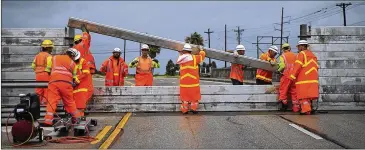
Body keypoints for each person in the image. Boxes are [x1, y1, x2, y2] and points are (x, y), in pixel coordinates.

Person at [44, 48, 82, 126]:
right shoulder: (73, 64)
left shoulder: (54, 58)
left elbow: (47, 70)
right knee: (70, 102)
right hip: (66, 84)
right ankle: (77, 119)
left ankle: (48, 121)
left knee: (52, 101)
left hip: (54, 82)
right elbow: (75, 78)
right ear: (73, 56)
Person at [289, 40, 319, 115]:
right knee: (309, 96)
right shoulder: (313, 55)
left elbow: (297, 66)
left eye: (298, 47)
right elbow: (316, 67)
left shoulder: (301, 54)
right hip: (313, 80)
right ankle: (310, 108)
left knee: (303, 96)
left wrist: (292, 76)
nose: (298, 48)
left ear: (302, 46)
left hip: (303, 80)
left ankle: (306, 110)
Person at [176, 43, 206, 114]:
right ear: (190, 51)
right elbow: (202, 55)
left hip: (184, 83)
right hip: (193, 83)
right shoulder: (195, 58)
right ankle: (193, 109)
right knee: (194, 97)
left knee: (184, 98)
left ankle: (184, 110)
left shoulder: (181, 59)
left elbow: (181, 55)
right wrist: (201, 50)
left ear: (184, 51)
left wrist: (180, 52)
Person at [277, 43, 298, 112]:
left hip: (286, 76)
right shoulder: (295, 56)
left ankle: (284, 106)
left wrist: (278, 70)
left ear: (283, 49)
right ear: (289, 48)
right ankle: (296, 108)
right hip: (294, 76)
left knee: (283, 90)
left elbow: (282, 66)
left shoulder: (282, 56)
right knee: (294, 92)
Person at [32, 40, 53, 104]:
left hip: (38, 75)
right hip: (46, 74)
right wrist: (49, 73)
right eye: (51, 48)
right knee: (47, 89)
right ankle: (46, 104)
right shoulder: (48, 56)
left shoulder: (37, 55)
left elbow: (33, 65)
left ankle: (37, 105)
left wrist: (37, 71)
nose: (52, 49)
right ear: (48, 48)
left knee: (39, 90)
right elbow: (49, 65)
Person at [73, 50, 93, 116]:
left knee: (80, 103)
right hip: (76, 85)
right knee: (77, 103)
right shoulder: (72, 62)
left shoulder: (82, 61)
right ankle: (78, 116)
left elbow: (86, 73)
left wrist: (77, 80)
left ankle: (79, 117)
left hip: (83, 85)